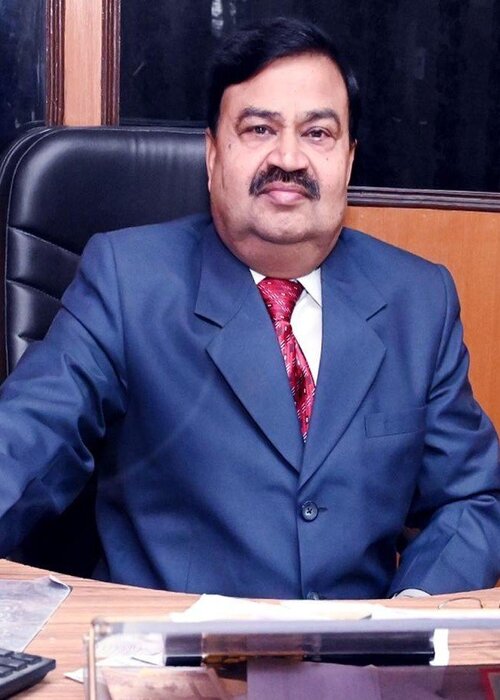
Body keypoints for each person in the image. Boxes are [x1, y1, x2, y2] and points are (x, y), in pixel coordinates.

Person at [0, 17, 499, 599]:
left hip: (358, 652)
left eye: (318, 133)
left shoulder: (419, 299)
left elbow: (472, 498)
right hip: (172, 649)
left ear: (348, 160)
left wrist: (412, 616)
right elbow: (28, 439)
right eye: (260, 129)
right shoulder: (128, 280)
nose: (289, 157)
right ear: (213, 155)